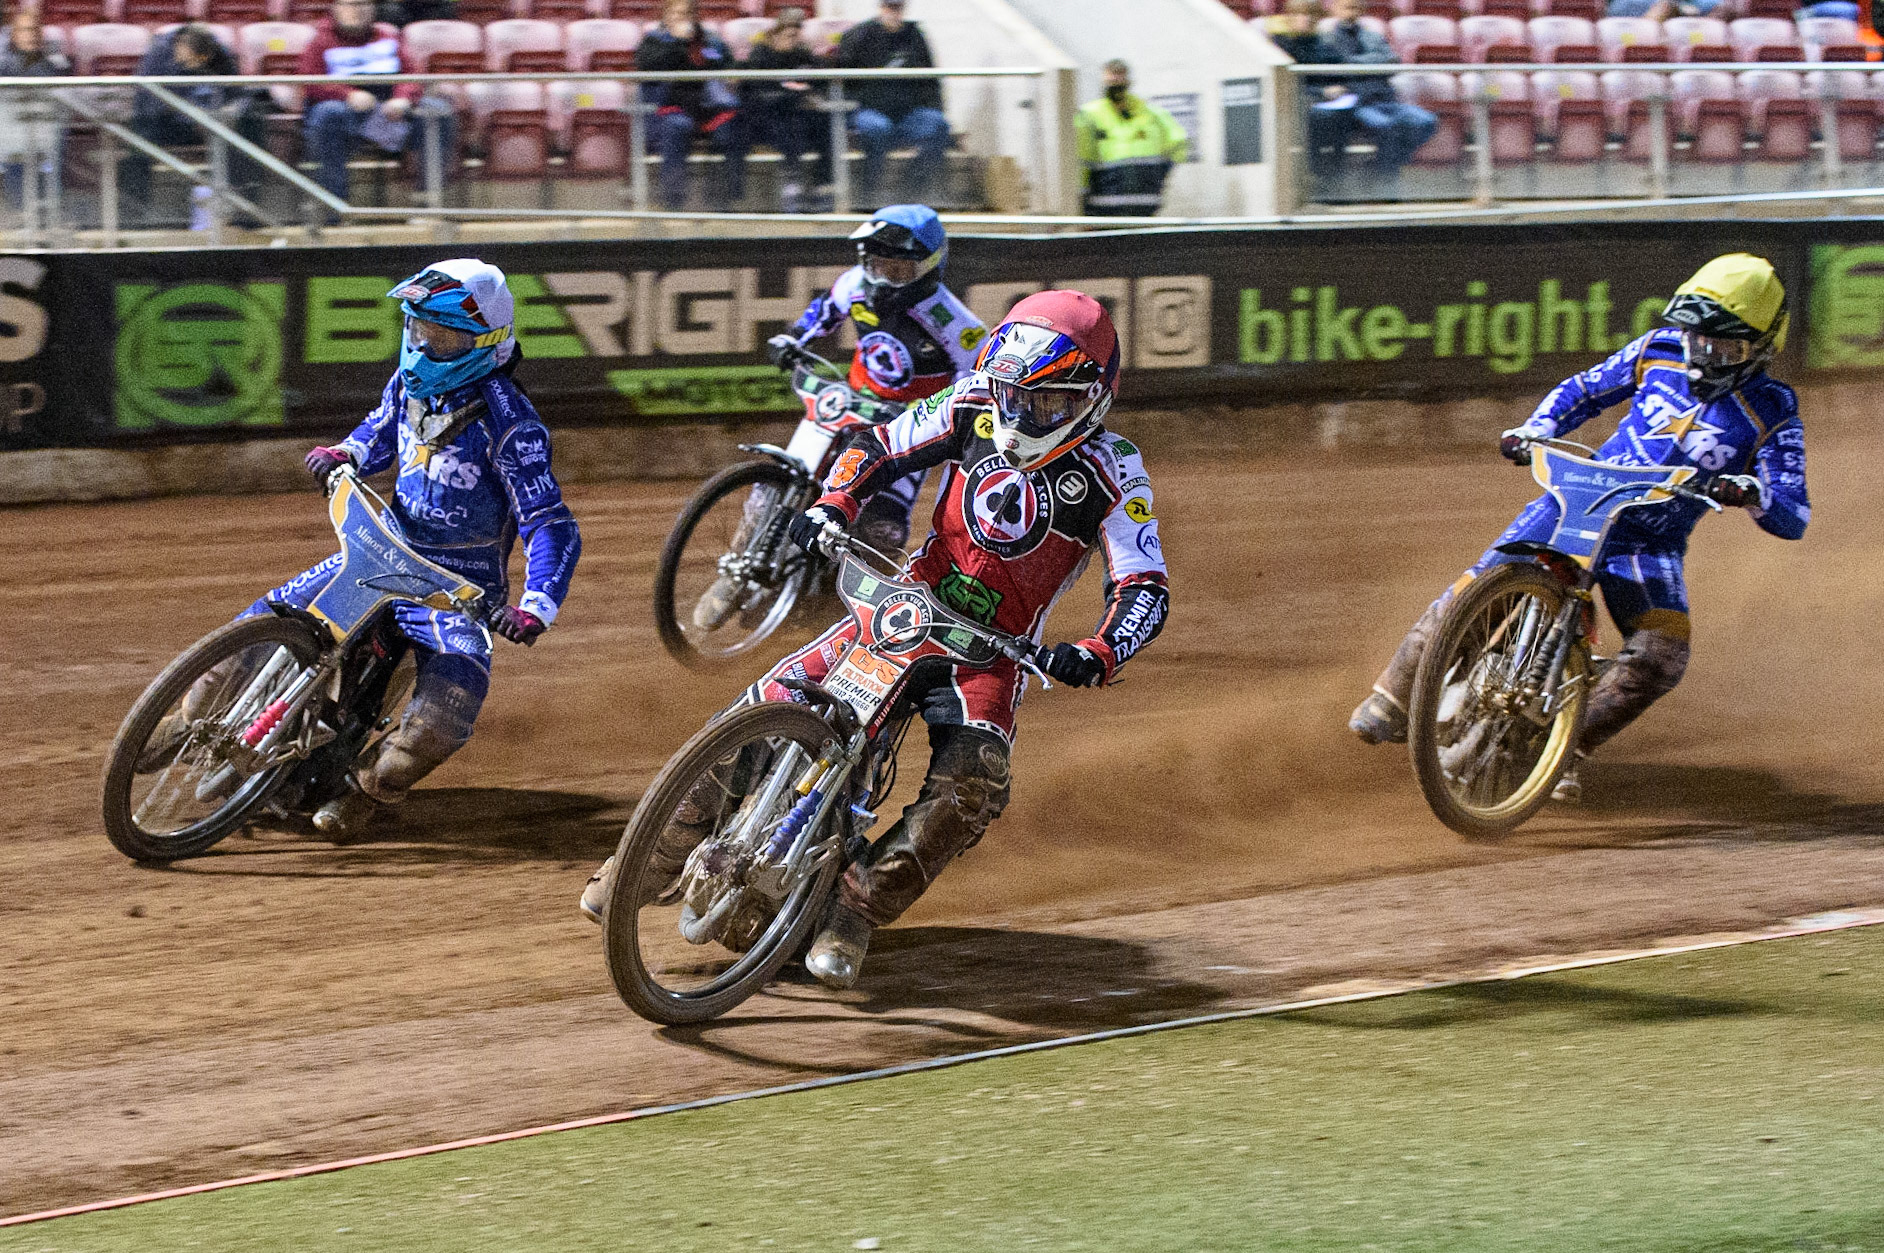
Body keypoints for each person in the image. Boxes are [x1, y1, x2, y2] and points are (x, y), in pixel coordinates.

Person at [582, 290, 1171, 991]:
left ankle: (853, 911)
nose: (1019, 417)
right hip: (903, 603)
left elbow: (1145, 585)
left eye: (1044, 404)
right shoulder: (968, 403)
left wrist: (1099, 651)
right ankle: (640, 865)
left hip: (991, 652)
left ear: (1094, 398)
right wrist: (833, 503)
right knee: (761, 706)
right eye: (1012, 397)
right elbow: (878, 446)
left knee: (973, 786)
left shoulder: (1114, 470)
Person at [1349, 254, 1809, 802]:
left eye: (1724, 346)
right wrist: (1536, 428)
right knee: (1478, 588)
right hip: (1578, 499)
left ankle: (1564, 748)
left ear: (1761, 347)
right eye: (1696, 337)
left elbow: (1794, 513)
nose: (1704, 354)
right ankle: (1395, 695)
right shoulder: (1658, 349)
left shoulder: (1774, 409)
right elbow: (1584, 390)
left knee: (1663, 654)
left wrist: (1752, 493)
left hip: (1647, 541)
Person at [265, 260, 581, 835]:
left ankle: (370, 788)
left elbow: (551, 523)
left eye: (442, 335)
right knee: (265, 618)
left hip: (455, 593)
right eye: (417, 329)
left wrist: (537, 606)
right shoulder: (407, 384)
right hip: (381, 551)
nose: (424, 344)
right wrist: (347, 454)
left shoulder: (512, 426)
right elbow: (380, 431)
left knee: (442, 721)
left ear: (484, 342)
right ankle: (187, 717)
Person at [765, 203, 985, 552]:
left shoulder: (954, 323)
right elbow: (824, 312)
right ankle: (753, 551)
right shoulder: (854, 283)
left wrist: (938, 416)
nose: (883, 277)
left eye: (897, 269)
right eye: (877, 265)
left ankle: (858, 594)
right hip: (853, 402)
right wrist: (793, 338)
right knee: (787, 477)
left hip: (908, 425)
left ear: (927, 266)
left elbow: (974, 380)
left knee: (884, 529)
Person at [298, 0, 457, 204]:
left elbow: (412, 74)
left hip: (390, 109)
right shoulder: (320, 41)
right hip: (346, 112)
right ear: (336, 8)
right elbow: (310, 82)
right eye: (351, 5)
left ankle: (427, 199)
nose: (358, 11)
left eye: (364, 5)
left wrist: (403, 99)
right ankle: (335, 205)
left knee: (438, 110)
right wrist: (348, 95)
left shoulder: (388, 37)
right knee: (328, 113)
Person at [123, 25, 269, 225]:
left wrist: (231, 111)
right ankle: (132, 219)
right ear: (180, 47)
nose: (198, 64)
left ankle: (246, 212)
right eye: (192, 61)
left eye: (202, 61)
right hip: (166, 121)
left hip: (211, 120)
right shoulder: (159, 53)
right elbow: (150, 104)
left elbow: (237, 92)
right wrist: (191, 115)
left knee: (250, 119)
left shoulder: (216, 51)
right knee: (138, 136)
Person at [637, 0, 748, 211]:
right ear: (666, 16)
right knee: (677, 126)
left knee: (731, 126)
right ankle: (674, 202)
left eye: (687, 13)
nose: (683, 18)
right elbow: (648, 66)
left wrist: (731, 74)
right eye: (678, 13)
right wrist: (678, 42)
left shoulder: (707, 41)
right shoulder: (654, 42)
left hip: (707, 107)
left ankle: (726, 199)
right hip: (668, 107)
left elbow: (723, 60)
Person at [835, 0, 950, 205]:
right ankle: (869, 196)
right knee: (878, 128)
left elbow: (931, 78)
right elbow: (843, 75)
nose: (893, 12)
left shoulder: (915, 35)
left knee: (938, 124)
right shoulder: (859, 35)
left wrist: (935, 106)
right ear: (880, 8)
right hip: (869, 110)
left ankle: (911, 190)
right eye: (889, 6)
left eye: (897, 7)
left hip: (908, 113)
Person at [1314, 0, 1437, 184]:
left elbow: (1392, 62)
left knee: (1427, 121)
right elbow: (1336, 69)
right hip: (1357, 103)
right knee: (1387, 126)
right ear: (1334, 9)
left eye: (1354, 6)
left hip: (1386, 99)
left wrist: (1354, 62)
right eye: (1346, 6)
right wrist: (1372, 62)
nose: (1350, 11)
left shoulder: (1373, 37)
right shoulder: (1327, 39)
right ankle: (1385, 179)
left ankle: (1382, 166)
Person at [1075, 59, 1190, 217]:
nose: (1116, 85)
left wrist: (1159, 173)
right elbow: (1081, 159)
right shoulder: (1090, 116)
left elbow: (1179, 144)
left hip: (1143, 207)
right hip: (1104, 209)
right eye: (1112, 80)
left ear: (1128, 80)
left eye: (1119, 79)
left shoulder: (1151, 114)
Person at [744, 7, 831, 213]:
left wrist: (809, 94)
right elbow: (759, 96)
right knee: (791, 124)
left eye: (797, 30)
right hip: (768, 117)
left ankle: (822, 185)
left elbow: (820, 80)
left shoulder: (802, 53)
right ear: (777, 31)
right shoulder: (760, 54)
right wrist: (795, 96)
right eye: (788, 30)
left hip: (797, 112)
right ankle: (792, 186)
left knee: (825, 124)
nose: (793, 35)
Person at [0, 10, 69, 217]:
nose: (29, 35)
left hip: (44, 132)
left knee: (50, 150)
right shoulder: (3, 66)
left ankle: (50, 212)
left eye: (33, 30)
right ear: (14, 35)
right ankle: (22, 213)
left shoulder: (53, 65)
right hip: (10, 134)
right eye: (24, 30)